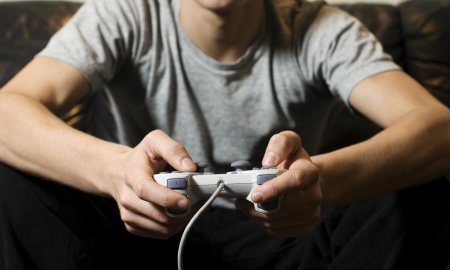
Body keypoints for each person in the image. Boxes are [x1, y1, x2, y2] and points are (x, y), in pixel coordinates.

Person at [0, 0, 448, 269]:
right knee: (16, 175)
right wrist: (116, 173)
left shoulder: (317, 26)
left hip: (283, 240)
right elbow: (7, 112)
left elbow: (438, 129)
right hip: (138, 234)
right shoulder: (128, 14)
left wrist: (322, 183)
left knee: (413, 185)